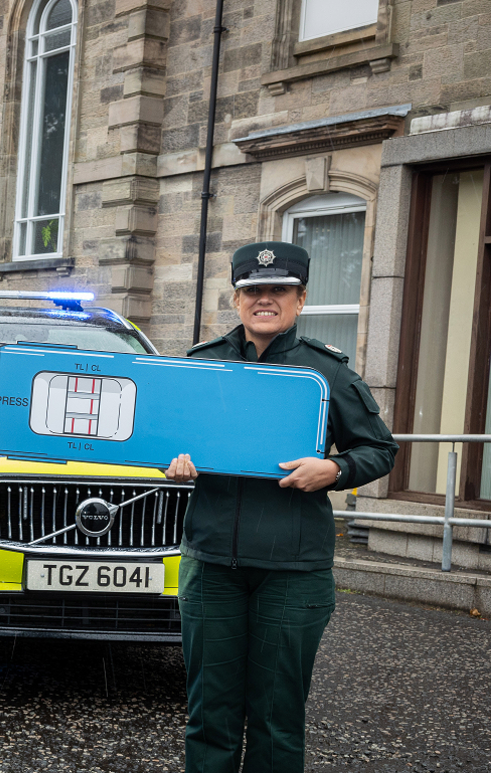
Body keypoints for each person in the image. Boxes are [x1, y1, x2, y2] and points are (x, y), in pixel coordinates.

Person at [164, 241, 399, 773]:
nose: (264, 299)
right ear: (237, 298)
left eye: (279, 290)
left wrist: (334, 470)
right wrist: (172, 464)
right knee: (209, 712)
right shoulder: (203, 366)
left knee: (277, 717)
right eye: (253, 290)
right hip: (212, 565)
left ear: (300, 299)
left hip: (293, 571)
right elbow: (166, 439)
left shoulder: (328, 374)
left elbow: (380, 450)